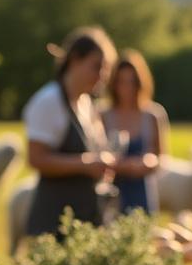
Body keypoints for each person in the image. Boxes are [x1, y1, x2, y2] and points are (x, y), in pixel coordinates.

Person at [22, 26, 116, 237]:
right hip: (53, 226)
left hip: (83, 222)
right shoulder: (48, 101)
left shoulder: (87, 104)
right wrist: (85, 164)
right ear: (75, 59)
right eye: (96, 67)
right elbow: (36, 159)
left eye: (105, 69)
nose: (102, 76)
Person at [100, 50, 168, 215]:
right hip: (112, 193)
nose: (127, 88)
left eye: (131, 82)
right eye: (122, 82)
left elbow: (161, 156)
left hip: (142, 193)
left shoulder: (153, 114)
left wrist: (145, 163)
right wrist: (120, 165)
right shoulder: (102, 115)